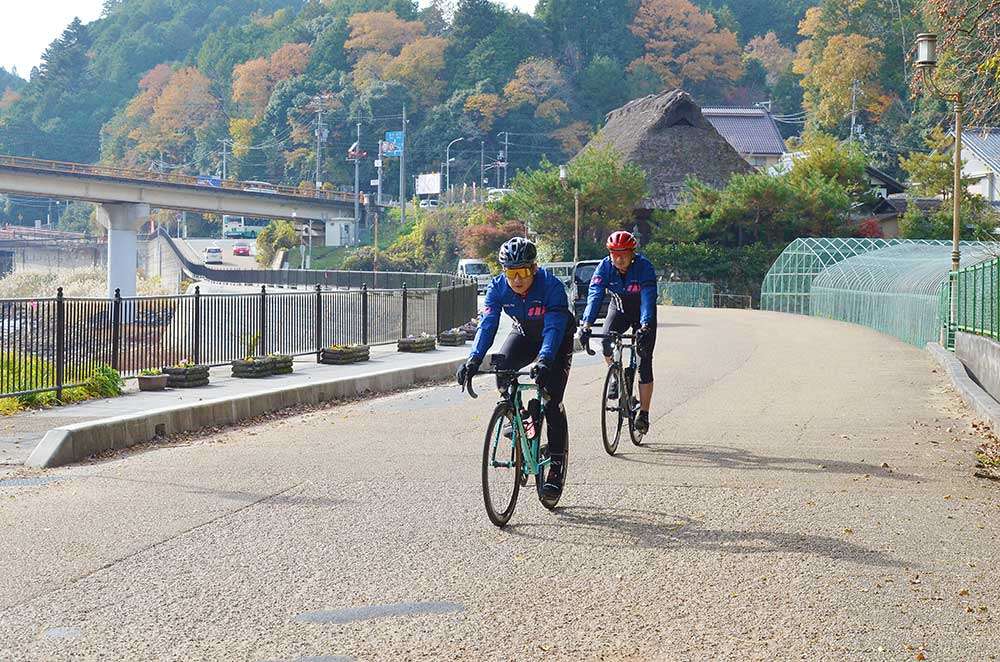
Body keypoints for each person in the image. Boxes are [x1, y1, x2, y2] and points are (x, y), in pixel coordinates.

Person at [457, 237, 576, 508]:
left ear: (534, 268)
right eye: (511, 273)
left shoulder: (552, 287)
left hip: (556, 340)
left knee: (552, 399)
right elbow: (487, 325)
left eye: (523, 272)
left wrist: (545, 359)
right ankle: (521, 417)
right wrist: (473, 359)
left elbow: (554, 328)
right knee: (503, 370)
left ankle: (556, 465)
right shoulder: (498, 288)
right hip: (523, 333)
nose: (517, 279)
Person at [578, 230, 657, 434]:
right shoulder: (604, 268)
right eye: (614, 253)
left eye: (624, 253)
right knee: (606, 341)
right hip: (619, 309)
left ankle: (644, 414)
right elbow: (594, 296)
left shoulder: (644, 267)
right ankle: (616, 375)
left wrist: (646, 325)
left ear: (632, 253)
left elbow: (648, 299)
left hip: (642, 314)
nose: (619, 258)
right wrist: (586, 324)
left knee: (644, 362)